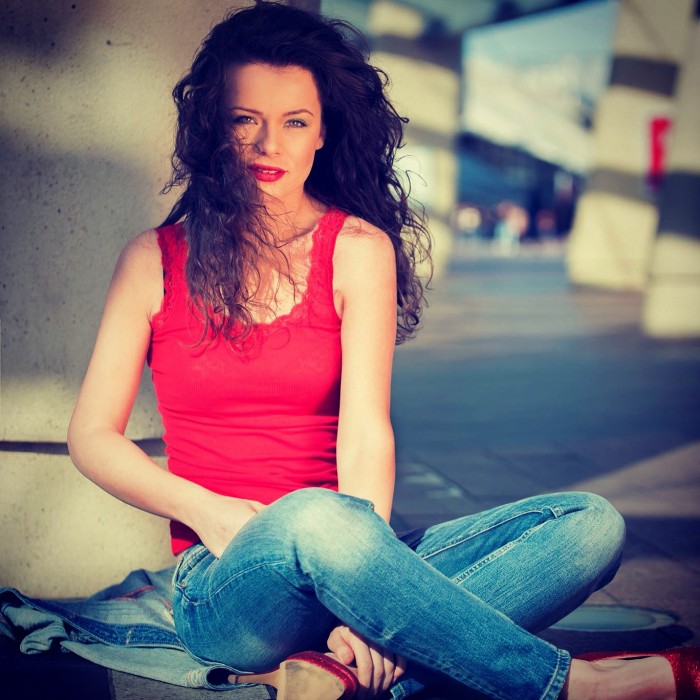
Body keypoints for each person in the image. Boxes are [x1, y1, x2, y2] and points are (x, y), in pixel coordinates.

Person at [67, 2, 699, 699]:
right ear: (215, 126)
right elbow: (92, 436)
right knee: (312, 517)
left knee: (588, 526)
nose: (268, 144)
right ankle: (576, 685)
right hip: (225, 585)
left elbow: (366, 432)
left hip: (355, 551)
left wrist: (360, 605)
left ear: (323, 131)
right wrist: (209, 512)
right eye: (245, 119)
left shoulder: (357, 250)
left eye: (294, 122)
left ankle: (344, 667)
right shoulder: (153, 260)